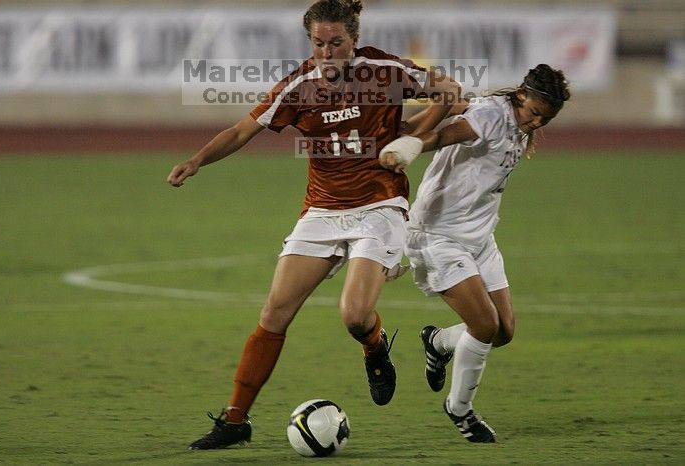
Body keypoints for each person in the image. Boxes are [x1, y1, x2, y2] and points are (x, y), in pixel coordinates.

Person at [167, 0, 460, 450]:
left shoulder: (384, 71)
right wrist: (197, 160)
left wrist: (411, 138)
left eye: (336, 43)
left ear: (354, 41)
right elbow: (243, 130)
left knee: (354, 316)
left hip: (380, 207)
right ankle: (235, 420)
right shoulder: (298, 85)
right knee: (273, 314)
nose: (327, 52)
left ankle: (374, 344)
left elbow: (451, 91)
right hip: (322, 212)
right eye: (318, 43)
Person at [379, 64, 570, 443]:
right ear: (521, 95)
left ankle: (438, 342)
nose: (536, 123)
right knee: (484, 326)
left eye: (544, 119)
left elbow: (460, 107)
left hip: (480, 238)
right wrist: (414, 142)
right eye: (534, 112)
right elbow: (450, 133)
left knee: (504, 332)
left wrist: (420, 124)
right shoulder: (491, 116)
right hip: (438, 235)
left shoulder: (513, 120)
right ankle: (460, 409)